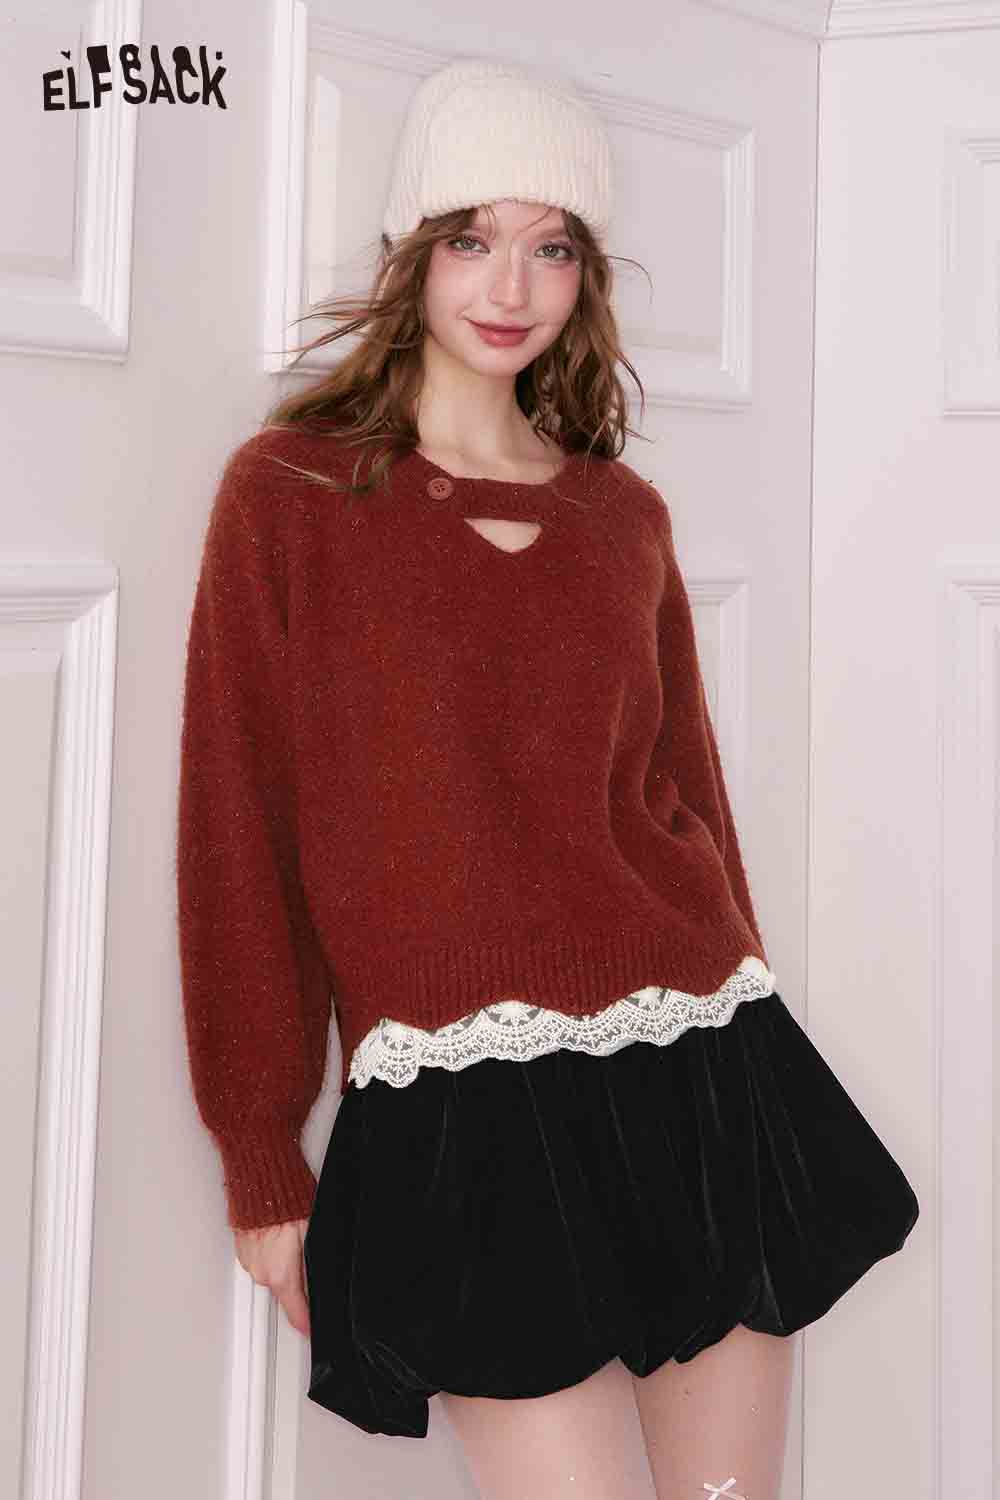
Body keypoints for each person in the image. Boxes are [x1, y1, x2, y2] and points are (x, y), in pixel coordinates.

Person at [175, 56, 920, 1500]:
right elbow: (237, 827)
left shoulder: (622, 515)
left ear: (589, 273)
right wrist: (260, 1154)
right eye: (471, 237)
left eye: (553, 246)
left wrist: (744, 988)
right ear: (412, 250)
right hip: (465, 1104)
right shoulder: (294, 497)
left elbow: (686, 797)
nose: (510, 286)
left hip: (699, 1061)